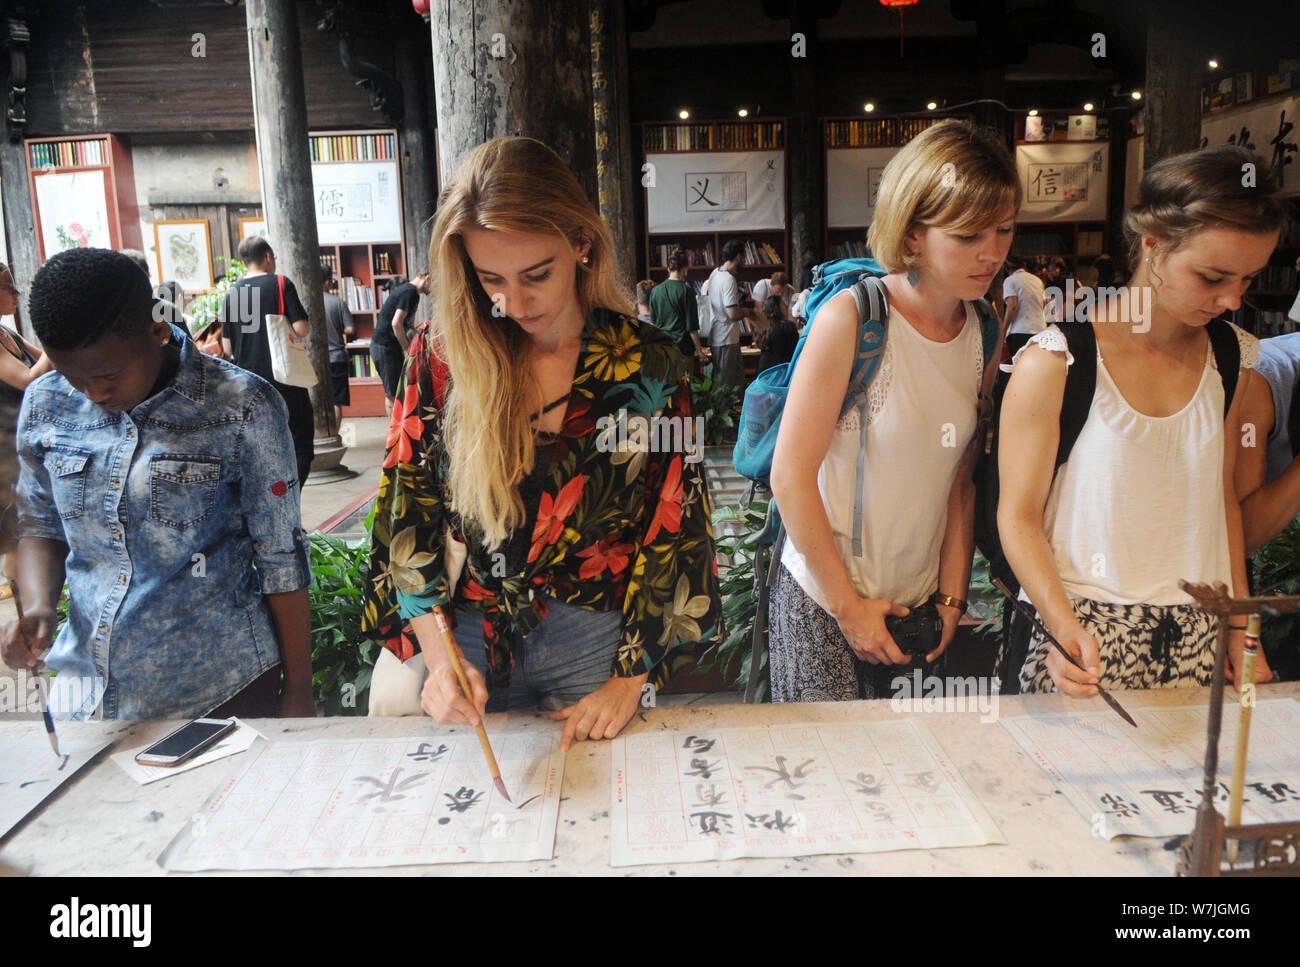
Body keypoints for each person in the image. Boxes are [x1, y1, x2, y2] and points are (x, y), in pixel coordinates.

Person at [360, 136, 720, 750]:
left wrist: (630, 679)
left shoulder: (648, 364)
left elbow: (675, 521)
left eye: (537, 275)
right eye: (490, 279)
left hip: (594, 640)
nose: (515, 303)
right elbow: (408, 510)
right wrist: (438, 657)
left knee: (595, 819)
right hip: (467, 634)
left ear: (581, 244)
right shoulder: (442, 357)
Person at [998, 146, 1284, 697]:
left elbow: (1218, 499)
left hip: (1198, 630)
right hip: (1083, 631)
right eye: (1212, 276)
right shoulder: (1057, 360)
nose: (1230, 299)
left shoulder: (1231, 357)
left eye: (1247, 279)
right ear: (1152, 245)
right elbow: (1018, 517)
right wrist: (1061, 628)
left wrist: (1240, 626)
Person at [1, 248, 313, 720]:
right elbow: (41, 522)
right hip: (89, 693)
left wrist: (299, 692)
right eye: (73, 377)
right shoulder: (47, 403)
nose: (93, 394)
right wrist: (42, 604)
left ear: (158, 330)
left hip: (222, 691)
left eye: (107, 376)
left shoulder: (241, 406)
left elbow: (281, 557)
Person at [768, 119, 1018, 703]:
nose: (993, 252)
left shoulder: (984, 329)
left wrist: (953, 598)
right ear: (911, 236)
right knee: (830, 785)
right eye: (967, 235)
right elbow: (790, 474)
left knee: (912, 781)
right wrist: (849, 609)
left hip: (920, 606)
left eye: (1004, 229)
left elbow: (963, 479)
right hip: (825, 603)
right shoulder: (853, 319)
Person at [218, 236, 315, 488]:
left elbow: (227, 348)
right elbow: (301, 329)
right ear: (268, 257)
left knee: (260, 447)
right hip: (284, 380)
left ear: (244, 262)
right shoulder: (280, 283)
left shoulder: (232, 294)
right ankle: (291, 497)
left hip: (247, 385)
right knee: (301, 445)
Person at [0, 264, 52, 591]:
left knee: (24, 516)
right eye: (8, 286)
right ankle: (21, 593)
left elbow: (48, 360)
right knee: (17, 518)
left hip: (23, 436)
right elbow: (29, 379)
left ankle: (22, 590)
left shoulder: (9, 334)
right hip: (5, 442)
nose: (17, 292)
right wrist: (59, 334)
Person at [372, 271, 430, 412]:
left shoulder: (413, 294)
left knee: (398, 390)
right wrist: (407, 349)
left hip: (391, 347)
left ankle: (399, 430)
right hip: (384, 347)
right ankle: (395, 432)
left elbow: (408, 324)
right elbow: (396, 323)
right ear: (427, 278)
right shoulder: (409, 291)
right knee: (392, 394)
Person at [705, 239, 756, 392]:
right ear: (739, 257)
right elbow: (732, 313)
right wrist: (747, 312)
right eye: (745, 257)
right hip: (725, 339)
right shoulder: (728, 279)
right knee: (725, 388)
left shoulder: (715, 273)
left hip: (719, 337)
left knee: (734, 382)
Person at [647, 247, 708, 368]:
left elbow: (653, 324)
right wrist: (700, 352)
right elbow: (692, 328)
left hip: (662, 348)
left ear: (668, 269)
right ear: (685, 269)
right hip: (682, 349)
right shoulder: (686, 291)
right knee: (684, 385)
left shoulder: (655, 291)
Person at [321, 262, 356, 426]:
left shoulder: (307, 303)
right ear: (328, 282)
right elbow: (350, 329)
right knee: (336, 400)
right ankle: (335, 435)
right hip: (337, 357)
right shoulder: (338, 303)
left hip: (317, 360)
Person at [1000, 254, 1046, 359]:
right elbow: (1043, 305)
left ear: (1007, 269)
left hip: (1019, 331)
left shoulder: (1010, 280)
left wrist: (1003, 329)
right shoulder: (1037, 281)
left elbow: (1012, 305)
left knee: (1018, 367)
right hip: (1040, 330)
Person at [755, 295, 797, 374]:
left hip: (764, 371)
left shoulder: (763, 327)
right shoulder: (788, 326)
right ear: (778, 309)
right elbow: (795, 351)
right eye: (783, 304)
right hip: (781, 371)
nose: (786, 306)